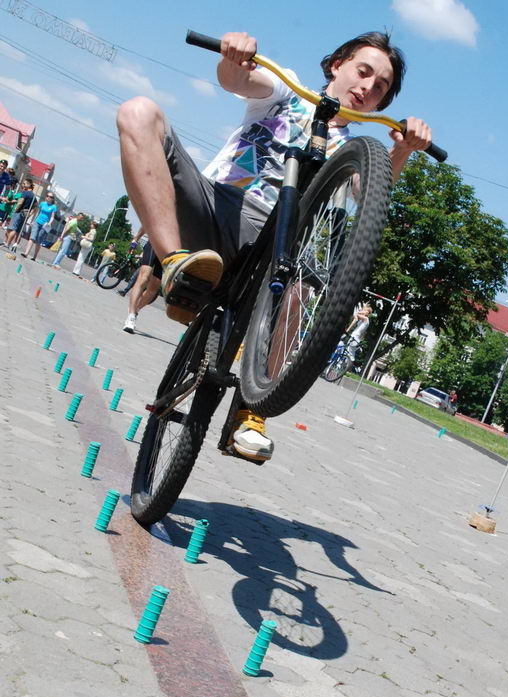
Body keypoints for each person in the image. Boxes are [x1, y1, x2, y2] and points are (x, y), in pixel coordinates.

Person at [117, 30, 432, 461]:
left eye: (380, 87)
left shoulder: (354, 151)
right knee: (138, 112)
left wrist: (404, 150)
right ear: (337, 65)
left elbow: (367, 192)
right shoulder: (287, 91)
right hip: (218, 211)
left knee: (302, 285)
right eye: (363, 72)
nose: (367, 87)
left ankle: (252, 411)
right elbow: (237, 80)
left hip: (275, 251)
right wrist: (235, 55)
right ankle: (175, 264)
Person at [122, 227, 162, 333]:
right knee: (144, 277)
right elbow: (147, 223)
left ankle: (136, 310)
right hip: (155, 241)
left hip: (169, 251)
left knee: (154, 287)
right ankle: (131, 316)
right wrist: (136, 239)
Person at [21, 191, 57, 260]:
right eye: (47, 196)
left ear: (53, 199)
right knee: (32, 237)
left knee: (38, 241)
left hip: (45, 225)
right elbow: (38, 212)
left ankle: (34, 256)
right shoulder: (42, 204)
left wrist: (49, 223)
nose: (48, 197)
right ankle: (26, 253)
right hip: (37, 222)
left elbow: (52, 217)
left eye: (50, 197)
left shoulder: (53, 207)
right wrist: (32, 220)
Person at [5, 179, 37, 250]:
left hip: (19, 212)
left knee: (13, 229)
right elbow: (36, 206)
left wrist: (16, 210)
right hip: (26, 214)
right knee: (18, 231)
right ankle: (15, 246)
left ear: (29, 184)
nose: (23, 185)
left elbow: (20, 202)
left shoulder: (25, 193)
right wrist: (30, 214)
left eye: (24, 183)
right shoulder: (33, 196)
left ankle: (7, 244)